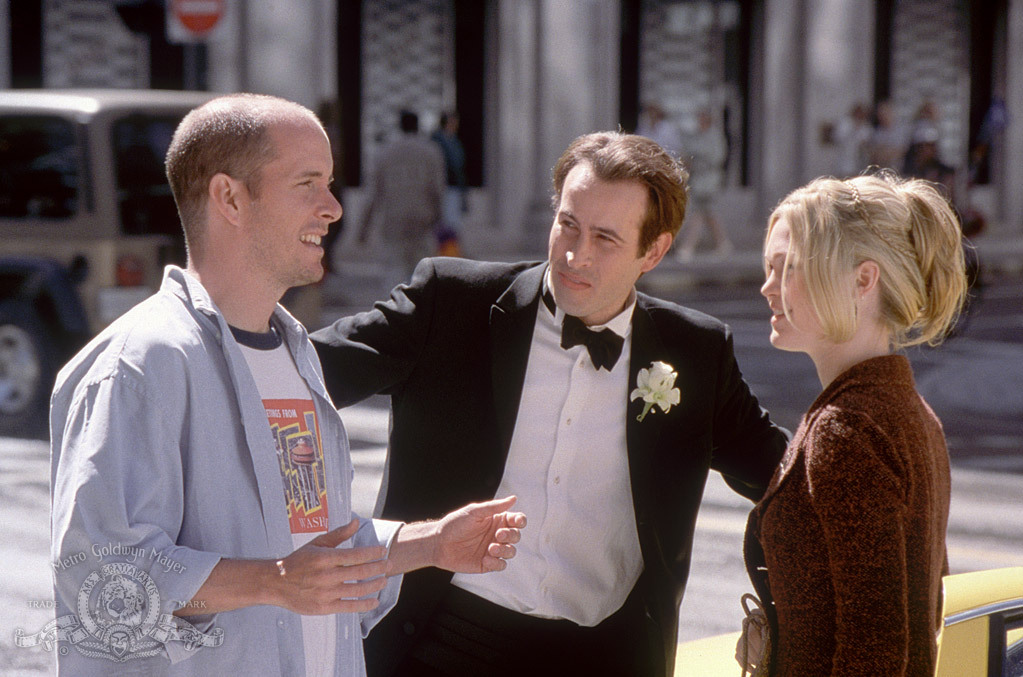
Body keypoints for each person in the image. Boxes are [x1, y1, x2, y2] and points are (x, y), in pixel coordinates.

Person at [49, 93, 525, 676]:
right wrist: (272, 583)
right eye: (309, 183)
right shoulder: (139, 365)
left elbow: (310, 546)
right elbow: (100, 578)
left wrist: (428, 546)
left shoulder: (297, 354)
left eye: (330, 184)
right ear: (229, 197)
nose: (333, 208)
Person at [311, 131, 789, 677]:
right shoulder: (450, 302)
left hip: (604, 655)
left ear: (653, 250)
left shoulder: (696, 352)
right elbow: (304, 374)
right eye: (568, 224)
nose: (574, 255)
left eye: (606, 239)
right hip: (438, 637)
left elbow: (788, 478)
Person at [742, 173, 968, 676]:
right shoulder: (908, 411)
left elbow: (877, 650)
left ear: (863, 280)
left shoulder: (845, 430)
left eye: (789, 268)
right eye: (768, 267)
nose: (766, 286)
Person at [359, 109, 446, 284]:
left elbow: (374, 194)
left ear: (400, 126)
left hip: (394, 219)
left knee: (394, 269)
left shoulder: (385, 152)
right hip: (422, 218)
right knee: (422, 269)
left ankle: (395, 308)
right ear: (418, 126)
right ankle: (419, 308)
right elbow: (437, 189)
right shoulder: (431, 152)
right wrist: (439, 217)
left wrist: (363, 228)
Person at [677, 108, 733, 261]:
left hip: (710, 180)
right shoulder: (696, 137)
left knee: (700, 213)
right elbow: (688, 154)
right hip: (698, 180)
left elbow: (716, 157)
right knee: (708, 214)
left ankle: (688, 247)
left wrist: (698, 159)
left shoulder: (714, 137)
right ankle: (723, 244)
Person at [430, 110, 467, 254]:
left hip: (454, 187)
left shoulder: (453, 141)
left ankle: (451, 252)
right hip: (444, 186)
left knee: (453, 224)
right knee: (445, 224)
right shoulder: (438, 141)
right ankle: (446, 253)